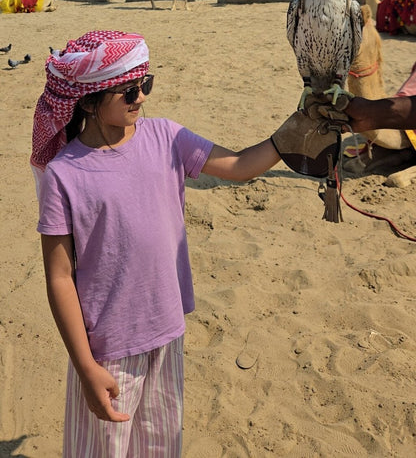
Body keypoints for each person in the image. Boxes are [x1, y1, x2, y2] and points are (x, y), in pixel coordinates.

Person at [32, 30, 285, 458]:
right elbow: (59, 277)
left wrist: (289, 138)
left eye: (146, 84)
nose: (141, 97)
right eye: (129, 89)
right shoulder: (63, 174)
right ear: (90, 100)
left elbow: (242, 165)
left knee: (160, 448)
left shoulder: (167, 137)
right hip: (107, 349)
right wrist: (85, 367)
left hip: (167, 334)